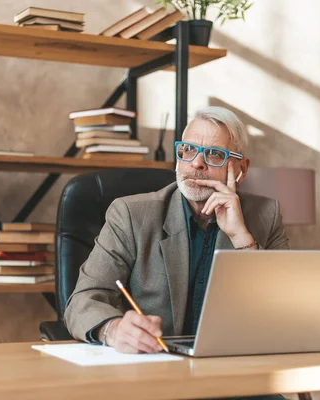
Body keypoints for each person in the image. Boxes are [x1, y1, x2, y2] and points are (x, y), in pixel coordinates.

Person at [64, 106, 289, 356]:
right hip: (158, 367)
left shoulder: (266, 215)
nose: (197, 163)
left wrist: (241, 238)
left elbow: (284, 314)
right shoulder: (130, 215)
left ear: (241, 170)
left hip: (235, 367)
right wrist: (114, 330)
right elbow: (81, 303)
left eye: (214, 154)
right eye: (188, 149)